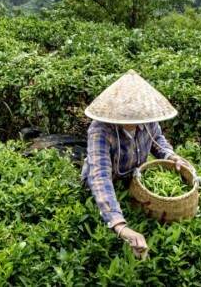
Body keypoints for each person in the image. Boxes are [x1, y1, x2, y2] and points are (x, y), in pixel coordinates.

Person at [81, 70, 194, 259]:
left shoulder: (148, 120)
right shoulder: (100, 130)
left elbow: (157, 140)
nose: (136, 120)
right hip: (106, 186)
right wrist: (120, 226)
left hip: (133, 181)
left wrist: (171, 156)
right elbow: (100, 177)